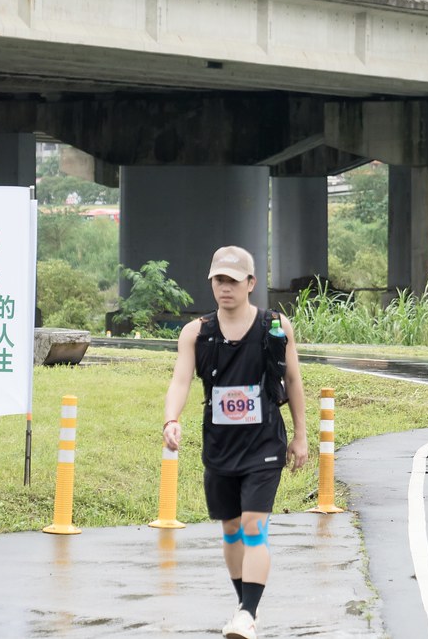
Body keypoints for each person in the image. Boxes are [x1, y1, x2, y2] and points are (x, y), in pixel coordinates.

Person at [162, 246, 308, 639]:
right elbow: (180, 381)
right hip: (220, 444)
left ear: (251, 284)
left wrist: (300, 435)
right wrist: (171, 420)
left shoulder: (275, 326)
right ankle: (244, 607)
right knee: (230, 530)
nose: (224, 288)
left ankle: (247, 612)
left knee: (252, 526)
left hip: (264, 442)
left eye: (232, 280)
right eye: (218, 280)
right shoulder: (196, 333)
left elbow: (293, 381)